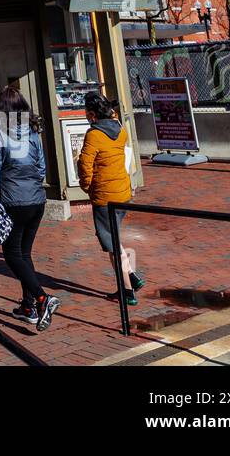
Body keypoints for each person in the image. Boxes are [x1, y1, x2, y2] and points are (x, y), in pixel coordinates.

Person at [0, 87, 60, 331]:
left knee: (12, 254)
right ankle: (28, 307)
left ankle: (42, 298)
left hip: (13, 199)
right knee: (24, 254)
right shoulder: (32, 129)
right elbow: (41, 165)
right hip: (36, 199)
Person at [77, 91, 146, 304]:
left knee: (111, 244)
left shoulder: (94, 135)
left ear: (92, 114)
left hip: (104, 196)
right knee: (114, 239)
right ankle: (131, 277)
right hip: (122, 192)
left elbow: (85, 164)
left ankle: (127, 291)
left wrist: (87, 186)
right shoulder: (119, 129)